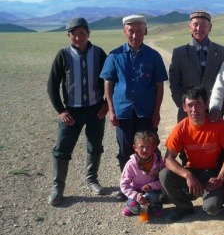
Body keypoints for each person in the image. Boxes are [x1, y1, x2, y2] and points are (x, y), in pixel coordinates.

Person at [100, 15, 168, 199]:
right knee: (125, 150)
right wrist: (112, 110)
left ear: (145, 31)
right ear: (124, 31)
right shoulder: (114, 55)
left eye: (139, 31)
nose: (135, 35)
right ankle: (127, 188)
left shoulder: (153, 56)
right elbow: (109, 83)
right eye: (131, 31)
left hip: (146, 111)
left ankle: (154, 184)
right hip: (123, 112)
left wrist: (156, 111)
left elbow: (160, 85)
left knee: (151, 148)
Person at [47, 17, 108, 205]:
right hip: (71, 113)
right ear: (69, 36)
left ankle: (92, 179)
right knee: (62, 150)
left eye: (82, 33)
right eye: (74, 34)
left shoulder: (99, 54)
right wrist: (61, 110)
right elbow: (52, 85)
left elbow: (109, 80)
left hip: (95, 110)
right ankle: (58, 188)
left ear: (88, 34)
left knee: (95, 146)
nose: (78, 37)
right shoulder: (63, 55)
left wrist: (106, 104)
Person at [159, 86, 224, 222]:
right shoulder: (181, 128)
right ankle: (184, 206)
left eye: (198, 104)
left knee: (212, 209)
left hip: (213, 174)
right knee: (164, 174)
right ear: (184, 107)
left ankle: (203, 193)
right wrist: (187, 175)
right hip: (192, 171)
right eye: (190, 105)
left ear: (206, 104)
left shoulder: (217, 123)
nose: (194, 110)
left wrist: (221, 178)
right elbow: (168, 159)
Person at [169, 10, 224, 122]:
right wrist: (183, 105)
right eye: (195, 24)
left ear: (210, 28)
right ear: (190, 27)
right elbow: (174, 83)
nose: (199, 28)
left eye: (203, 25)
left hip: (215, 112)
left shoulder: (223, 52)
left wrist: (219, 106)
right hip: (188, 112)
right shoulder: (179, 53)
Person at [120, 131, 164, 217]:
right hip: (136, 191)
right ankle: (130, 207)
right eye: (141, 147)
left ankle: (155, 206)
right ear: (135, 147)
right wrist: (136, 195)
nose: (145, 150)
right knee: (134, 206)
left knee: (151, 196)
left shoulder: (158, 161)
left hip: (153, 190)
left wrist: (152, 185)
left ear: (154, 147)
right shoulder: (131, 164)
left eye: (148, 147)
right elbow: (124, 184)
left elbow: (163, 179)